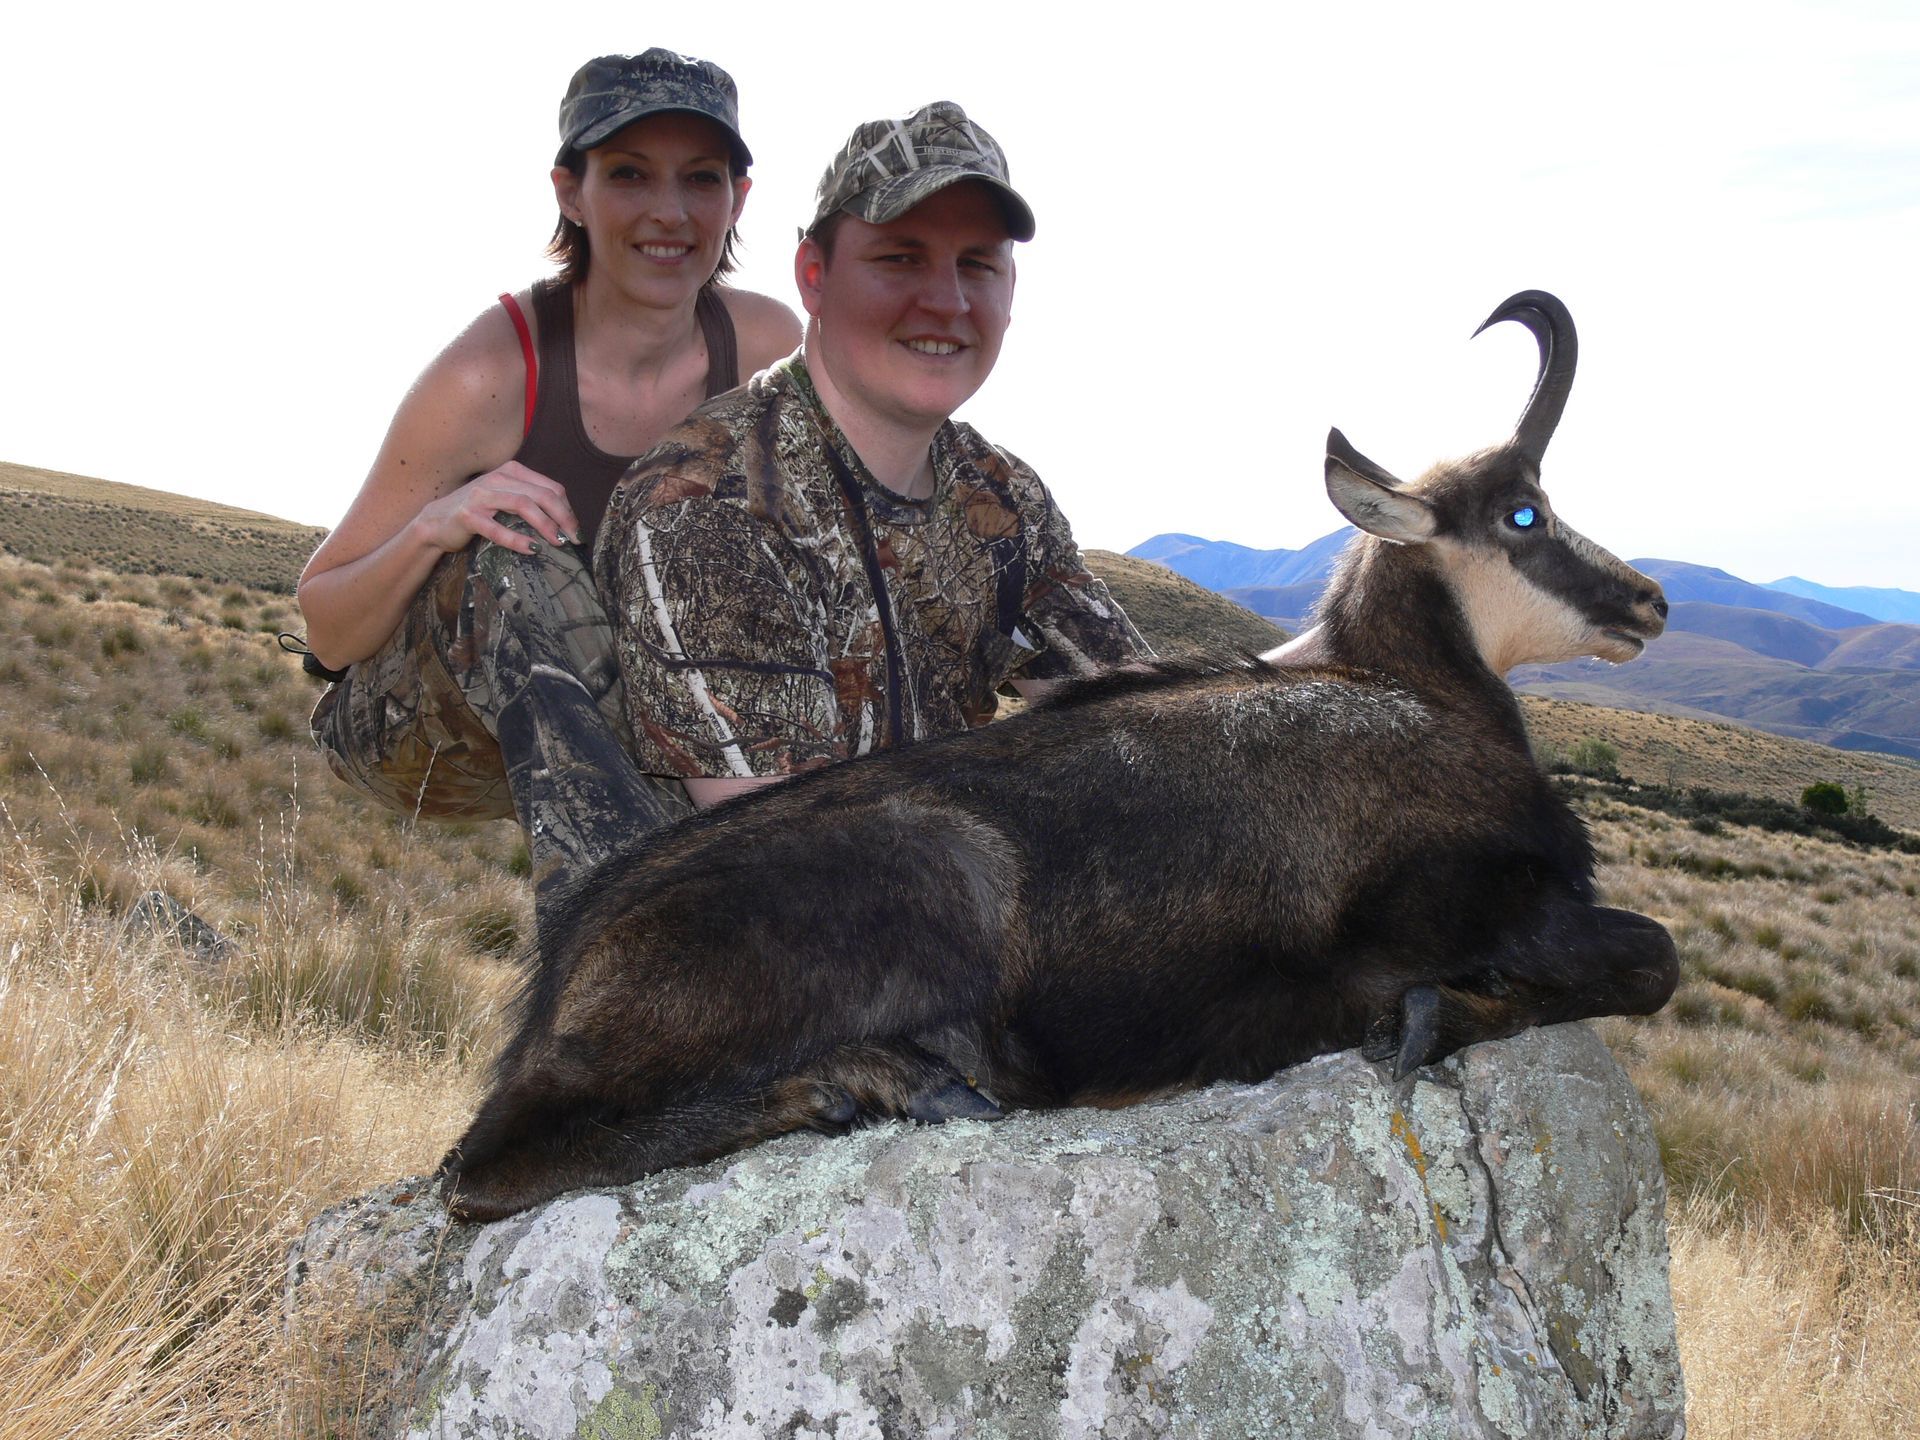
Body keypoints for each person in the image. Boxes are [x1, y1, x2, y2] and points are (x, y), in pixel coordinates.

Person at [295, 51, 799, 918]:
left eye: (700, 179)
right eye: (629, 175)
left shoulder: (766, 349)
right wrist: (437, 525)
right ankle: (619, 952)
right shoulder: (489, 374)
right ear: (571, 191)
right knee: (516, 560)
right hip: (424, 731)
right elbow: (328, 628)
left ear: (739, 198)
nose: (669, 213)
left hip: (623, 719)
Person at [595, 101, 1148, 810]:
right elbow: (797, 857)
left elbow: (1141, 723)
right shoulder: (706, 505)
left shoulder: (1003, 495)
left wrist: (1334, 647)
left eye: (977, 264)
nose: (946, 301)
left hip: (949, 884)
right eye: (900, 258)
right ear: (813, 275)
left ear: (1012, 292)